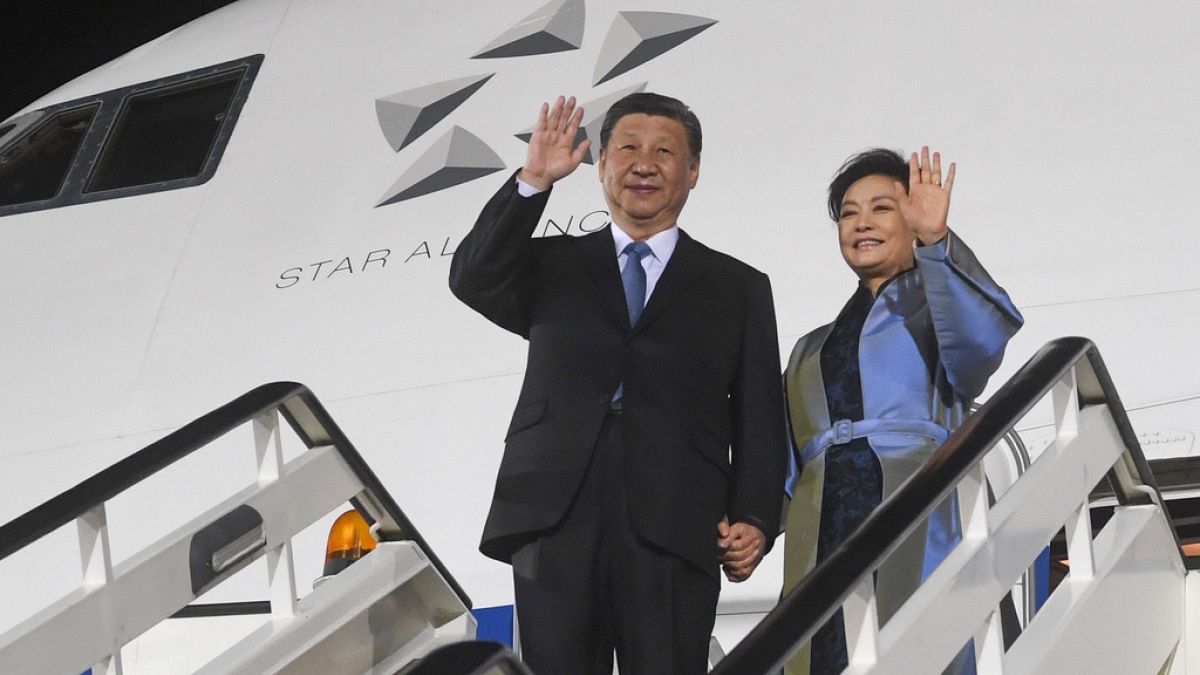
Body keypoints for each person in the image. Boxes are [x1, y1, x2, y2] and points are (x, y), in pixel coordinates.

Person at [450, 93, 787, 674]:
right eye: (627, 147)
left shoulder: (738, 286)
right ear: (602, 163)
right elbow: (472, 276)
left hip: (678, 519)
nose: (644, 163)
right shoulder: (550, 265)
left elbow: (758, 413)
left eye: (664, 151)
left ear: (694, 171)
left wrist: (756, 516)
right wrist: (533, 179)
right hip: (552, 513)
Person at [781, 148, 1023, 675]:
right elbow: (787, 462)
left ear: (912, 219)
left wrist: (937, 242)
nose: (862, 222)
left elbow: (982, 345)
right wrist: (750, 523)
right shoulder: (809, 349)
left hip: (917, 509)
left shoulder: (939, 311)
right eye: (848, 212)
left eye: (882, 208)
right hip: (823, 527)